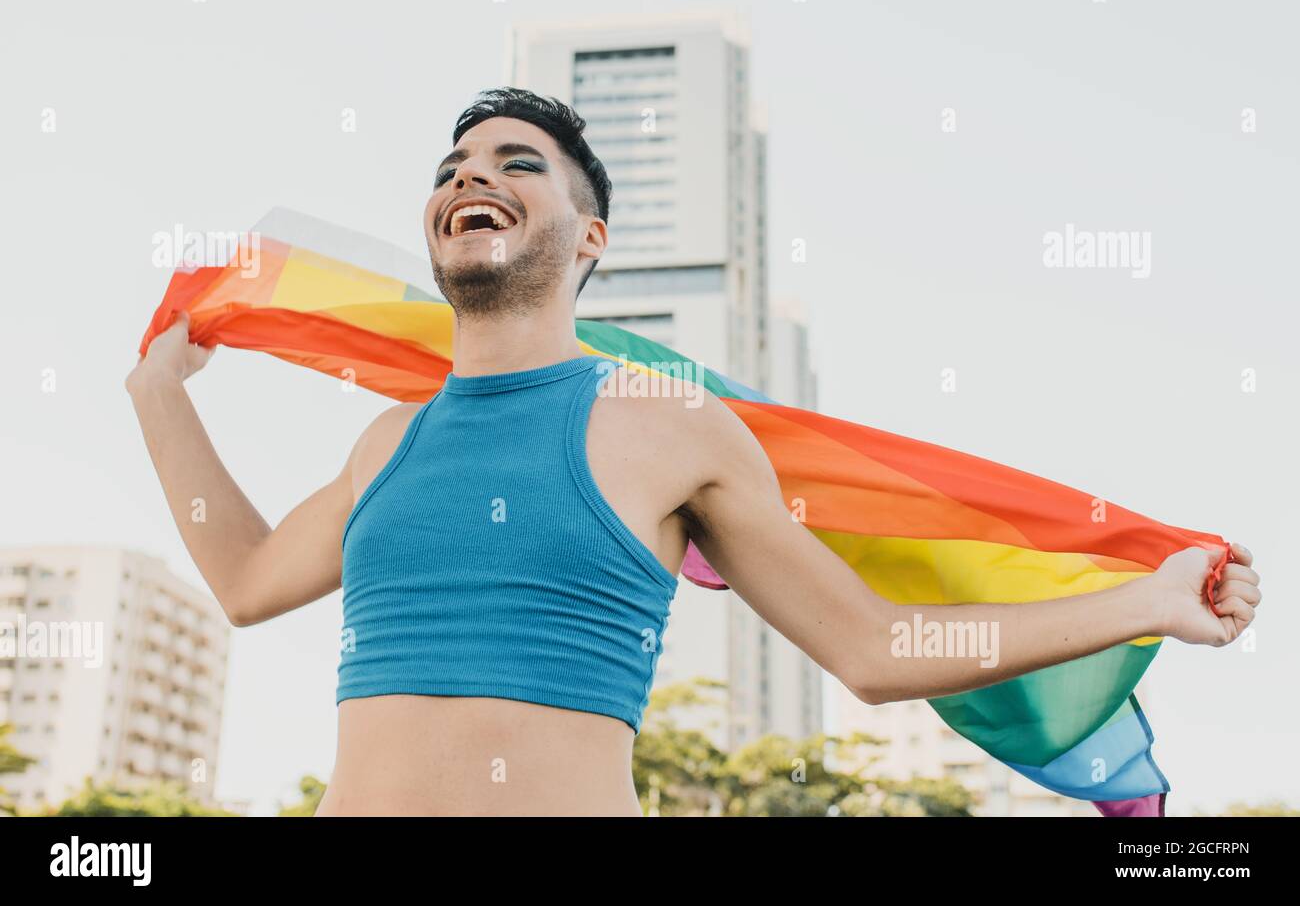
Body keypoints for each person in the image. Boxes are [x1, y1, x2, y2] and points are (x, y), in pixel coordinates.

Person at [125, 87, 1261, 816]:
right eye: (450, 166)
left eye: (515, 162)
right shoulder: (389, 441)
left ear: (590, 239)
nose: (469, 175)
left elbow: (874, 648)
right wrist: (157, 394)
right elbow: (247, 580)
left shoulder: (673, 429)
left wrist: (1146, 604)